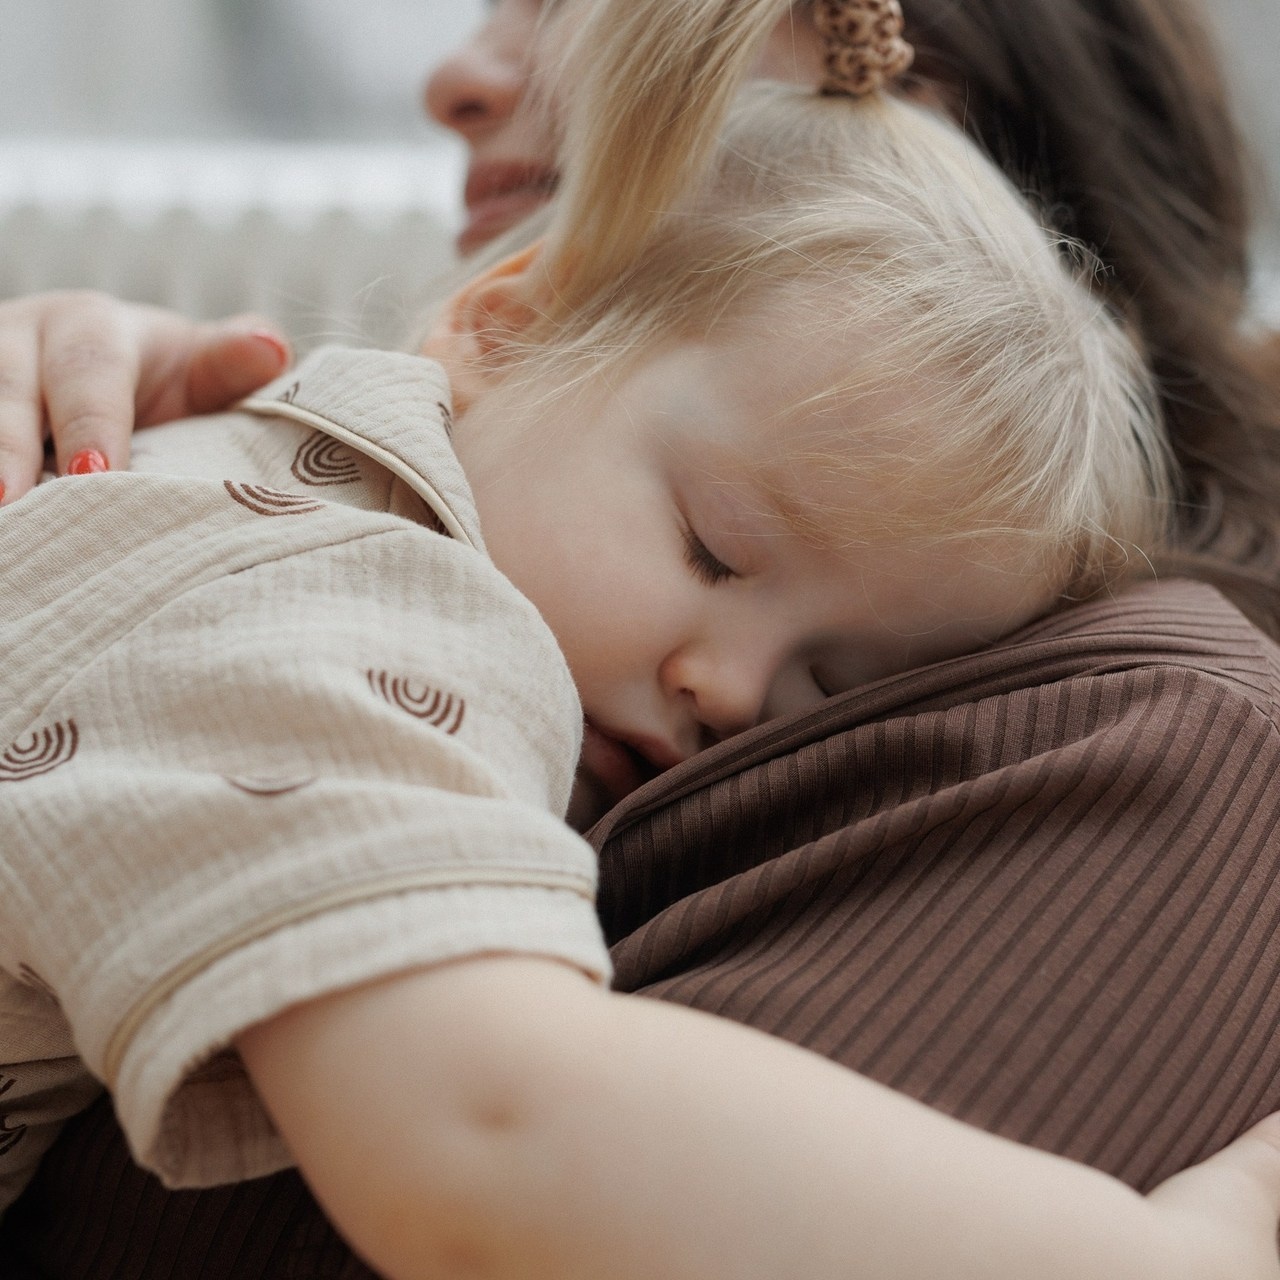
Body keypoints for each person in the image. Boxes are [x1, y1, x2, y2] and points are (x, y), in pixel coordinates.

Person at [4, 0, 1280, 1277]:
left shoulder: (1177, 726)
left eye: (824, 683)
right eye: (713, 548)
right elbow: (484, 1131)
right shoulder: (338, 605)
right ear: (505, 327)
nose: (729, 691)